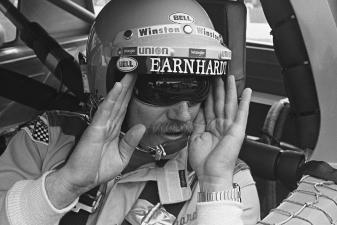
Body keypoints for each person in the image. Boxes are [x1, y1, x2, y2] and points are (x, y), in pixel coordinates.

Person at [0, 0, 259, 224]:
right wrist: (65, 185)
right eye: (161, 89)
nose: (183, 115)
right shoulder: (47, 137)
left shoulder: (229, 179)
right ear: (108, 82)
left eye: (196, 90)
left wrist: (215, 186)